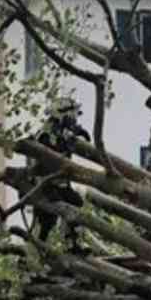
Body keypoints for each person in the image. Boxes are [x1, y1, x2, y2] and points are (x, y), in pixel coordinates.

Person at [32, 99, 90, 246]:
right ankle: (33, 254)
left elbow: (73, 132)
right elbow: (55, 155)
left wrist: (80, 133)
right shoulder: (46, 134)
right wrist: (70, 142)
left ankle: (72, 243)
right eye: (72, 115)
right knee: (47, 220)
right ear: (62, 114)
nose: (75, 118)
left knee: (76, 204)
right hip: (45, 184)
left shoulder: (62, 130)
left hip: (61, 183)